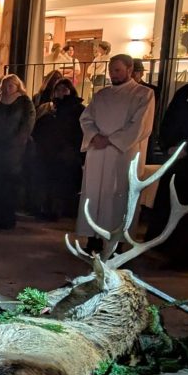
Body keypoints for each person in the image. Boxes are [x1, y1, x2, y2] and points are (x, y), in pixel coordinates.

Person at [76, 54, 155, 253]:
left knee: (119, 195)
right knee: (95, 194)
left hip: (122, 153)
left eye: (117, 70)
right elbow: (86, 118)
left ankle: (117, 241)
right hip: (98, 152)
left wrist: (111, 140)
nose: (113, 74)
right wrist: (94, 136)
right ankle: (93, 238)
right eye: (111, 70)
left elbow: (140, 124)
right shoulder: (101, 95)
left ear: (130, 70)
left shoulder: (143, 94)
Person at [0, 74, 35, 230]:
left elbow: (27, 123)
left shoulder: (24, 102)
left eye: (11, 86)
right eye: (5, 86)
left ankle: (8, 216)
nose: (8, 89)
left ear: (17, 87)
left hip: (14, 149)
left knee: (11, 183)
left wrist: (18, 140)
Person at [146, 80, 188, 264]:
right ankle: (162, 244)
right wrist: (168, 146)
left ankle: (183, 255)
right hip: (175, 160)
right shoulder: (184, 92)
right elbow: (168, 121)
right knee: (168, 201)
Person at [31, 78, 85, 220]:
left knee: (62, 184)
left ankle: (58, 210)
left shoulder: (78, 109)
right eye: (58, 89)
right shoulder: (47, 108)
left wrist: (72, 149)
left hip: (67, 152)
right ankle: (46, 209)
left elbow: (79, 131)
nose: (61, 92)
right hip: (47, 151)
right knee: (47, 182)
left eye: (64, 89)